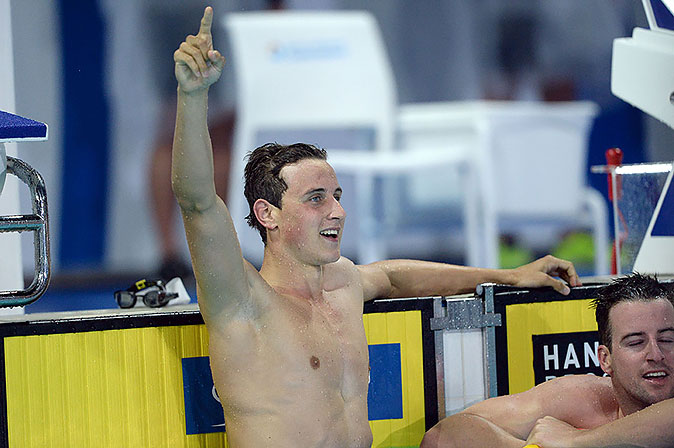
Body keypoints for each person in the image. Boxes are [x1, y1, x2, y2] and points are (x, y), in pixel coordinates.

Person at [171, 7, 582, 447]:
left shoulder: (343, 283)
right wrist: (193, 97)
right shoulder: (242, 301)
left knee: (466, 435)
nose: (337, 212)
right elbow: (197, 203)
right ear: (267, 214)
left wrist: (505, 276)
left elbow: (389, 275)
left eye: (337, 197)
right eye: (315, 199)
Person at [421, 272, 674, 448]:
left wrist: (575, 442)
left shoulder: (577, 435)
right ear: (605, 360)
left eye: (667, 339)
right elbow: (443, 437)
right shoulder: (584, 400)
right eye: (636, 343)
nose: (656, 354)